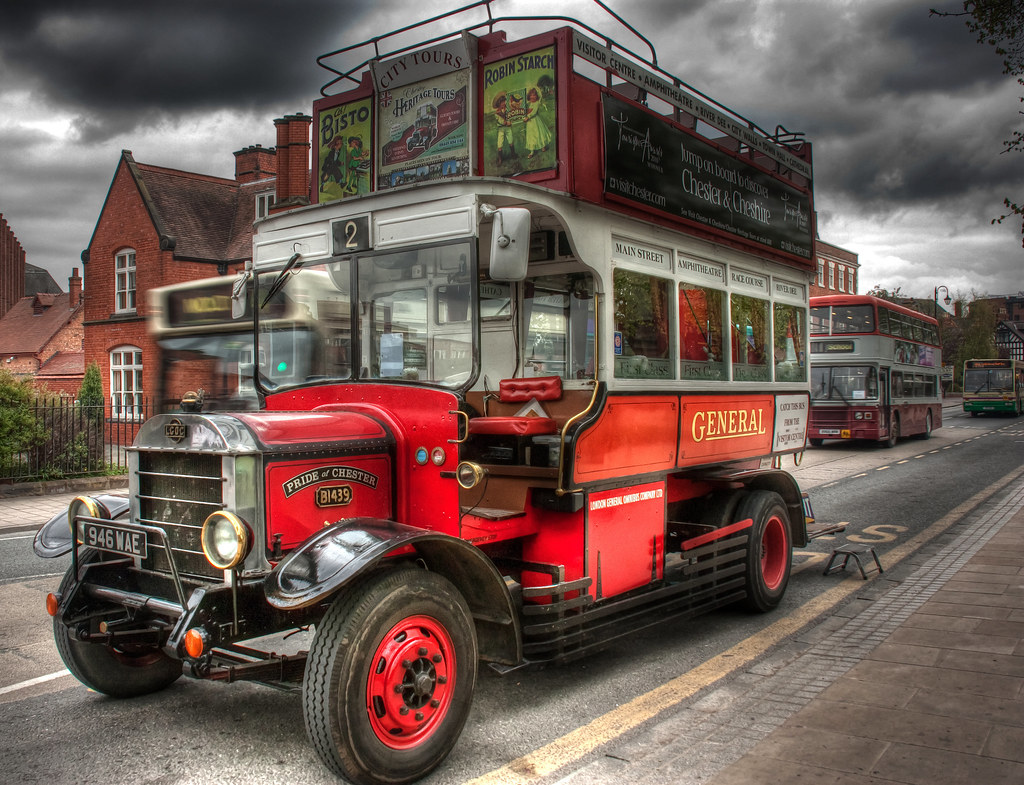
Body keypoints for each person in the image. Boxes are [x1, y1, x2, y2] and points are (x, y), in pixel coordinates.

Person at [524, 87, 552, 158]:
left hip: (535, 120)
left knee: (539, 133)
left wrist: (528, 117)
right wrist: (525, 117)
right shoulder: (528, 104)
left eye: (534, 95)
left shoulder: (536, 103)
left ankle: (542, 146)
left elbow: (534, 112)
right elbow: (525, 111)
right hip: (529, 123)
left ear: (536, 96)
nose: (532, 97)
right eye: (531, 95)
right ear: (529, 96)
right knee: (531, 135)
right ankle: (532, 151)